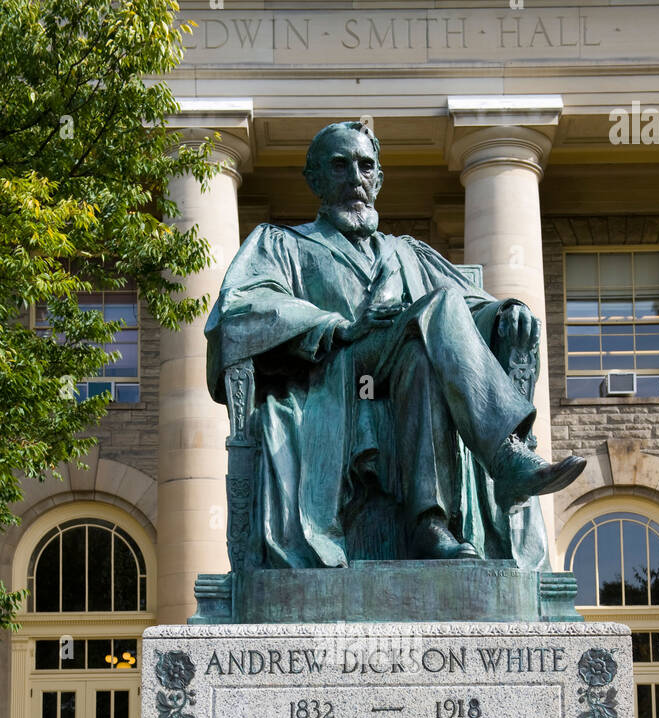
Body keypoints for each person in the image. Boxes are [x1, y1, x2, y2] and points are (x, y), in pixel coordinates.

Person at [205, 120, 585, 567]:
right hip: (336, 375)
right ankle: (505, 456)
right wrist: (337, 327)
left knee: (423, 352)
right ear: (314, 179)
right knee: (438, 307)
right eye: (339, 165)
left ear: (379, 179)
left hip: (402, 378)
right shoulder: (283, 244)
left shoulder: (406, 253)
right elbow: (240, 311)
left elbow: (474, 311)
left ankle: (430, 525)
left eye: (366, 167)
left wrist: (506, 314)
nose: (355, 179)